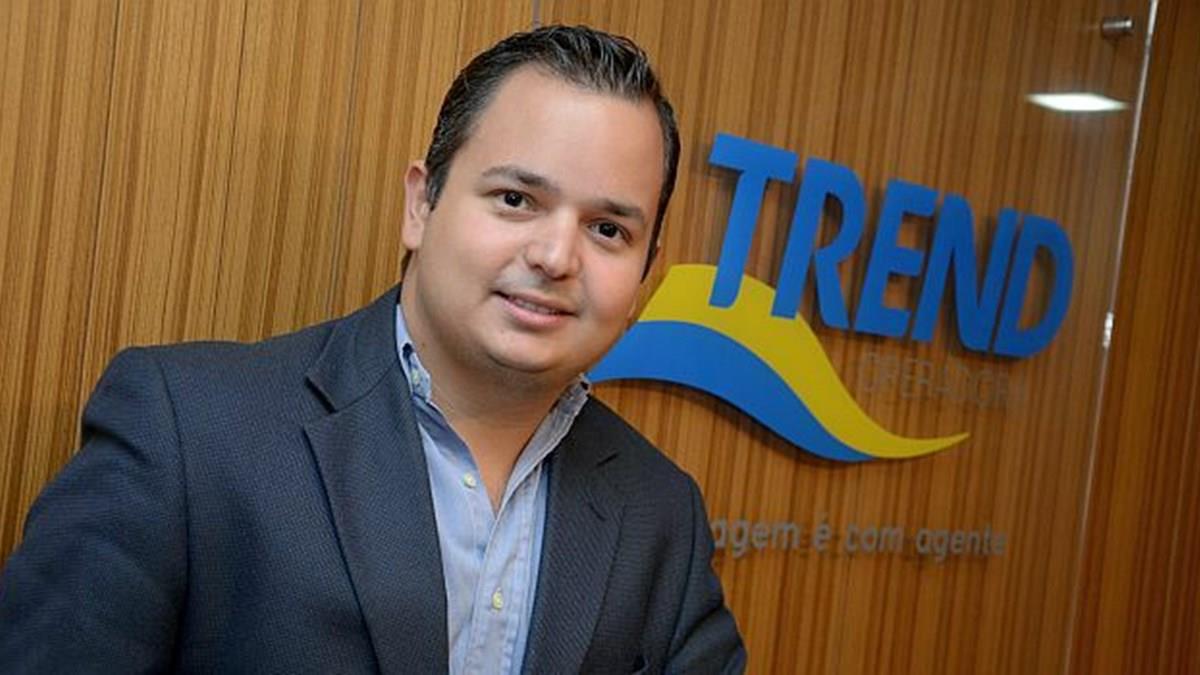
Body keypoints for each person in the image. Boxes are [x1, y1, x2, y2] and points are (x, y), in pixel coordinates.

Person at [0, 25, 745, 674]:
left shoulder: (662, 512)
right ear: (421, 204)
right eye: (516, 199)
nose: (556, 256)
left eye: (608, 230)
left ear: (647, 274)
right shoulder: (187, 431)